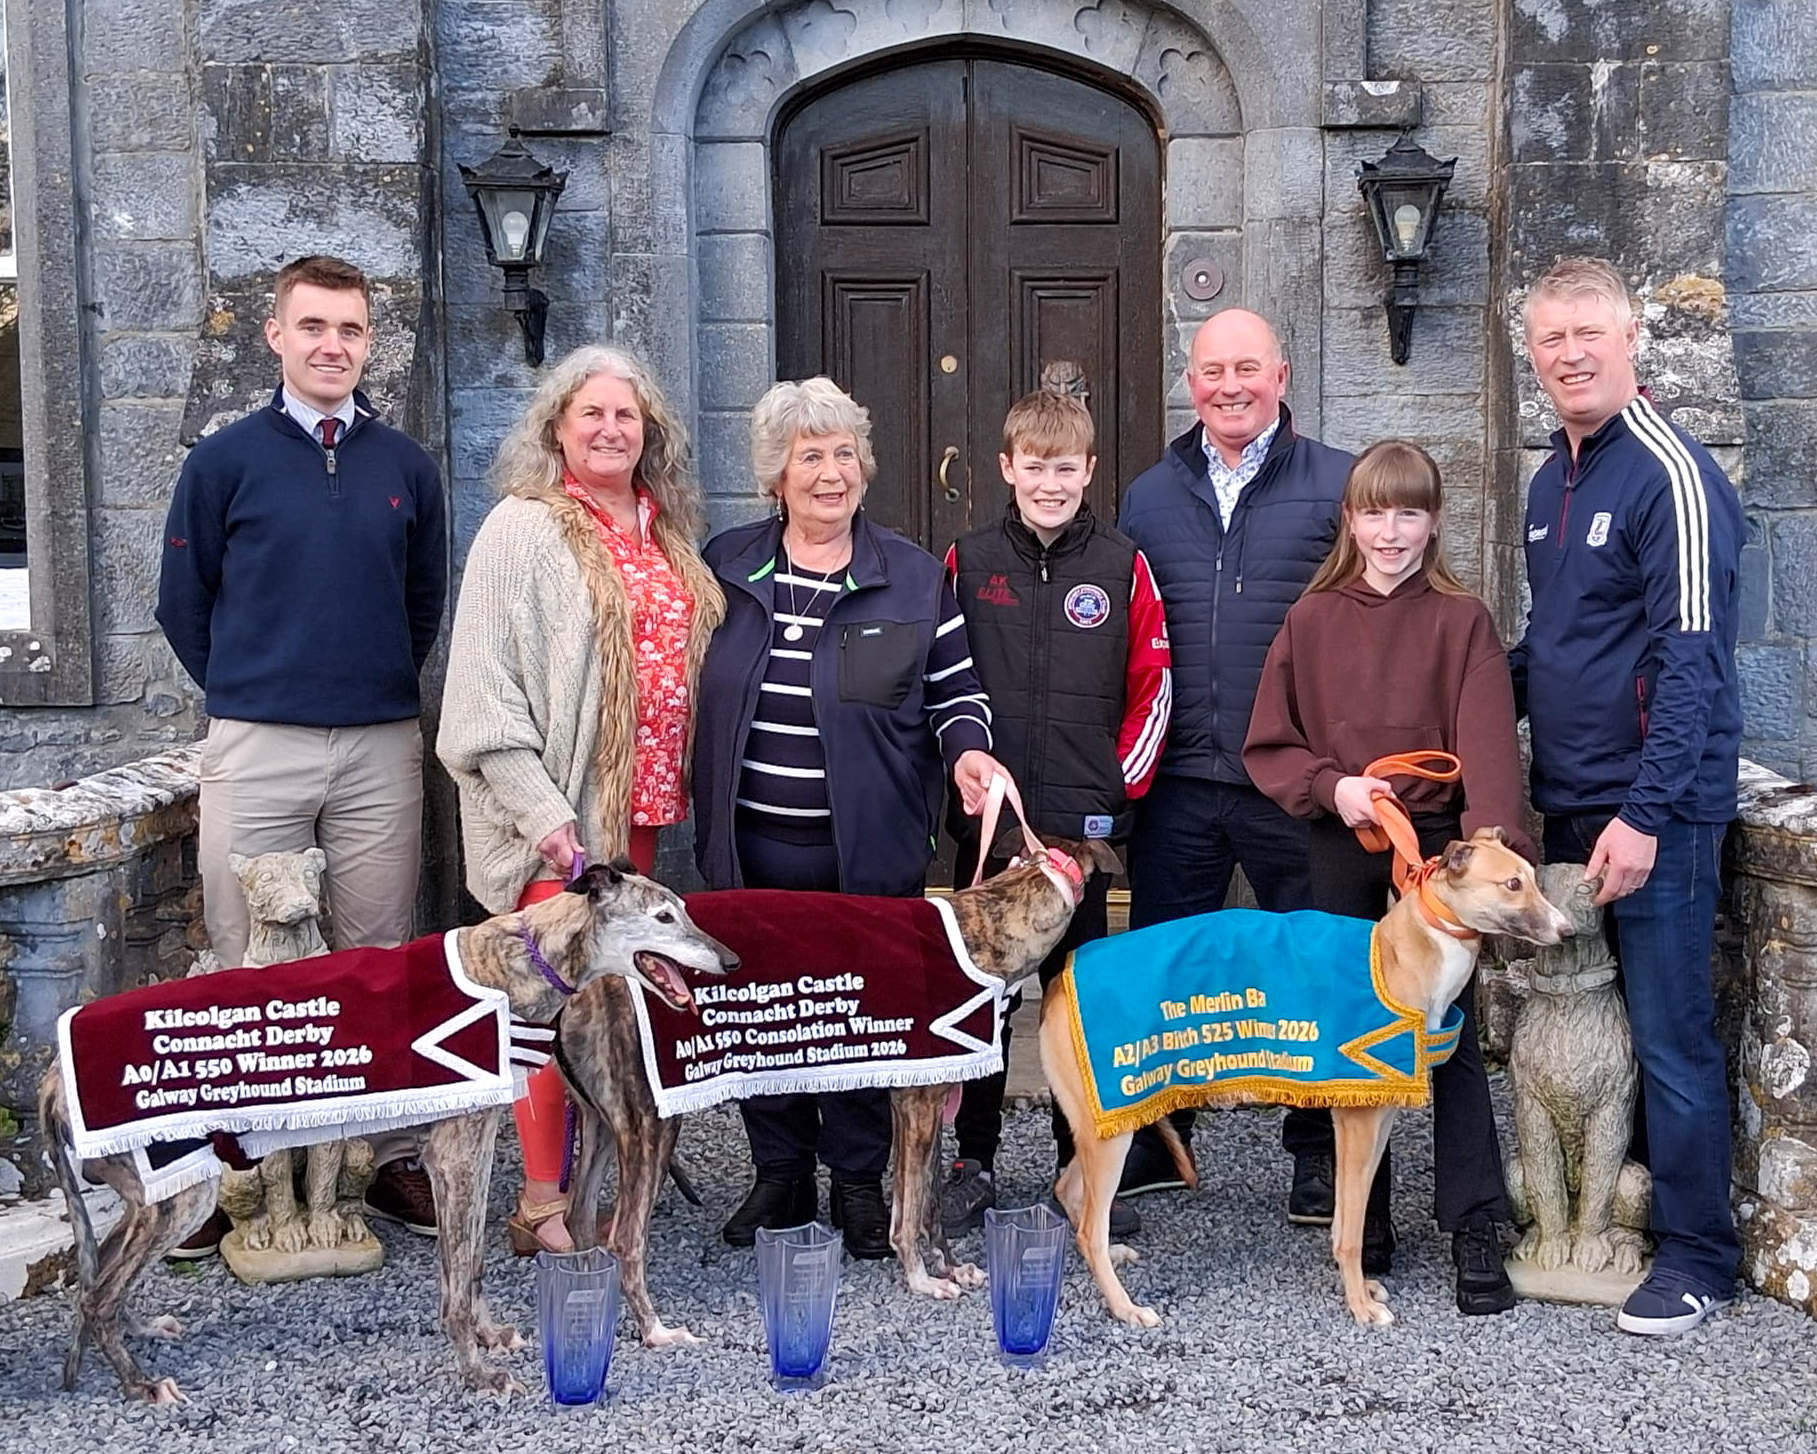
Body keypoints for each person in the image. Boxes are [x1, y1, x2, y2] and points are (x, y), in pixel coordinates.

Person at [155, 254, 447, 1252]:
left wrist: (358, 687)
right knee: (246, 958)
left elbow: (421, 605)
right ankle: (233, 1167)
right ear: (274, 335)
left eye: (350, 330)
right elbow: (181, 605)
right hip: (259, 740)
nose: (332, 345)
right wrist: (258, 688)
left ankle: (381, 1156)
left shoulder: (403, 465)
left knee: (376, 958)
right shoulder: (224, 461)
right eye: (313, 326)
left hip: (375, 743)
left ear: (370, 341)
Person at [692, 377, 1006, 1259]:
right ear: (775, 476)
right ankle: (780, 1173)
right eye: (809, 455)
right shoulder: (725, 564)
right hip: (750, 843)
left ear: (863, 468)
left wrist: (971, 752)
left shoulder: (910, 576)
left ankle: (859, 1182)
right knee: (760, 1010)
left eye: (843, 454)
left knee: (861, 1012)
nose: (829, 474)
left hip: (865, 852)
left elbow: (954, 691)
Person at [436, 345, 724, 1254]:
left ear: (651, 435)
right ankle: (539, 1202)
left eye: (626, 416)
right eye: (590, 414)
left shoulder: (660, 529)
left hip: (635, 816)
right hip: (557, 823)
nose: (609, 429)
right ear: (556, 426)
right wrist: (546, 818)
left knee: (603, 1006)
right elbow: (480, 700)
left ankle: (595, 1189)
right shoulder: (521, 529)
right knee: (545, 1003)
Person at [1243, 439, 1531, 1315]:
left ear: (1433, 522)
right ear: (1350, 519)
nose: (1391, 530)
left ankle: (1473, 1216)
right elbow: (1271, 739)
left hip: (1435, 855)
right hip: (1342, 838)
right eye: (1375, 512)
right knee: (1349, 1026)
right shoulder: (1312, 619)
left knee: (1448, 1040)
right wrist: (1335, 786)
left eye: (1408, 512)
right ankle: (1360, 1219)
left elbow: (1485, 747)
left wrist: (1489, 848)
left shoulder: (1461, 621)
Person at [1512, 256, 1743, 1336]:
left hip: (1653, 810)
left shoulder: (1669, 475)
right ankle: (1616, 1214)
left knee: (1664, 1032)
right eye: (1551, 337)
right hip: (1569, 803)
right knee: (1590, 1029)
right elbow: (1554, 646)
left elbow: (1689, 660)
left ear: (1629, 336)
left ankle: (1698, 1254)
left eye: (1587, 333)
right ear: (1532, 350)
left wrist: (1646, 813)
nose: (1569, 353)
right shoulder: (1548, 480)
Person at [1115, 308, 1349, 1202]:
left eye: (1247, 368)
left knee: (1311, 957)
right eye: (1212, 371)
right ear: (1191, 382)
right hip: (1179, 775)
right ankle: (1153, 1138)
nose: (1229, 386)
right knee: (1164, 958)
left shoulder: (1335, 483)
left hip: (1289, 775)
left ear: (1281, 375)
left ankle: (1318, 1146)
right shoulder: (1148, 494)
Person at [937, 381, 1171, 1240]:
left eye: (1064, 468)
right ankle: (974, 1161)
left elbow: (1154, 686)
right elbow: (941, 684)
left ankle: (1083, 1167)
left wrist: (1114, 789)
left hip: (1083, 834)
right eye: (1033, 466)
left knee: (1077, 1003)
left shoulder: (1120, 564)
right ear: (1005, 468)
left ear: (1088, 470)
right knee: (988, 1000)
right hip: (996, 831)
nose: (1049, 482)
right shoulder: (967, 561)